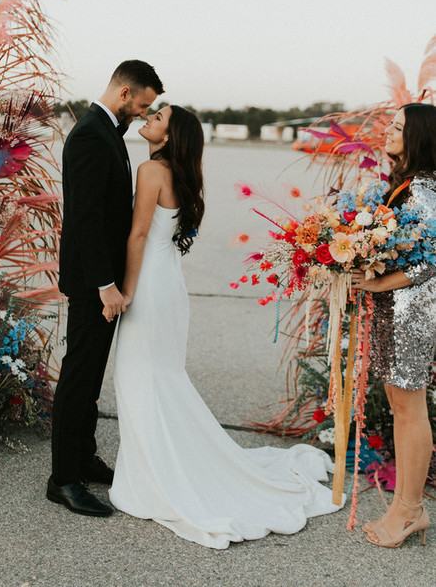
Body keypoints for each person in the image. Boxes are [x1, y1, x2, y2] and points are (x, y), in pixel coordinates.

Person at [109, 105, 341, 548]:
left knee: (138, 377)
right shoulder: (184, 175)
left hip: (149, 285)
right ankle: (153, 466)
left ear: (170, 135)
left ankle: (151, 478)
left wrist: (127, 291)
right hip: (170, 282)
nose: (151, 118)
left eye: (158, 117)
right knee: (160, 377)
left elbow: (137, 235)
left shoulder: (151, 170)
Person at [47, 60, 164, 517]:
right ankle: (62, 479)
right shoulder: (92, 135)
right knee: (78, 375)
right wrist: (105, 286)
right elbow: (87, 219)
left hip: (102, 281)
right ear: (124, 92)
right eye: (142, 104)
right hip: (93, 283)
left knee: (91, 374)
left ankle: (83, 456)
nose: (142, 112)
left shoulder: (105, 130)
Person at [352, 103, 436, 548]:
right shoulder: (406, 184)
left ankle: (409, 510)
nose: (388, 131)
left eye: (399, 127)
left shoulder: (423, 188)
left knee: (410, 409)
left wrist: (378, 282)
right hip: (395, 308)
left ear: (419, 137)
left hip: (411, 312)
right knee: (401, 407)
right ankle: (406, 505)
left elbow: (430, 259)